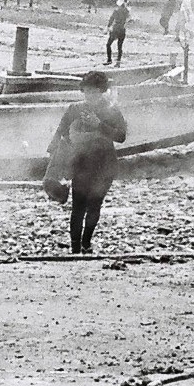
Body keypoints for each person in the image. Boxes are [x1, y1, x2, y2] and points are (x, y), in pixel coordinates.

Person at [49, 70, 128, 253]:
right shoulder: (74, 109)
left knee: (94, 204)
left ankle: (86, 242)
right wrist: (54, 158)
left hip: (104, 164)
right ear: (82, 91)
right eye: (87, 91)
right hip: (80, 162)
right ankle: (75, 247)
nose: (90, 96)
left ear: (102, 91)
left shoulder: (111, 110)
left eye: (95, 92)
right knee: (78, 205)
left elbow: (121, 137)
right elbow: (60, 132)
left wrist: (98, 124)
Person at [105, 0, 130, 66]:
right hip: (122, 29)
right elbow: (128, 20)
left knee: (108, 44)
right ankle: (118, 62)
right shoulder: (127, 11)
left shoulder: (116, 11)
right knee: (119, 46)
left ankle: (109, 60)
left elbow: (111, 19)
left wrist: (108, 27)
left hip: (116, 28)